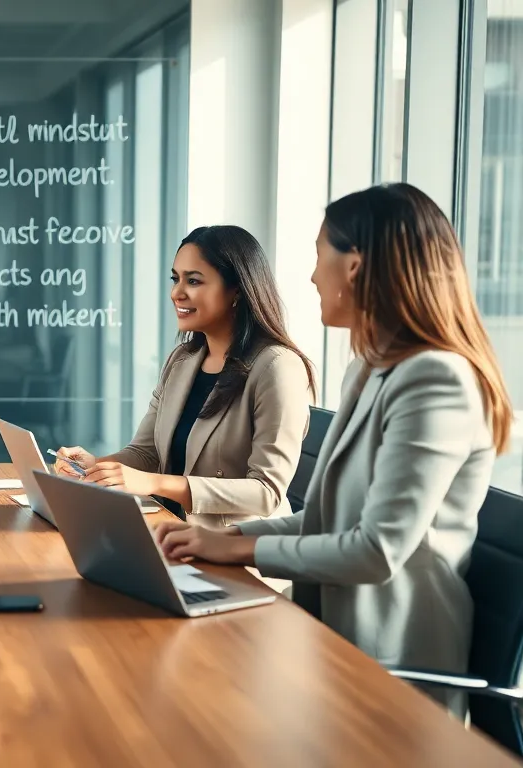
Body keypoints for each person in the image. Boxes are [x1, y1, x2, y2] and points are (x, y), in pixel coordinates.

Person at [155, 183, 510, 714]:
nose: (312, 275)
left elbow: (375, 551)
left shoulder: (437, 380)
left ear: (355, 267)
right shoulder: (368, 371)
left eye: (321, 254)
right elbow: (323, 521)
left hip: (390, 670)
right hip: (328, 642)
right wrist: (215, 540)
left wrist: (240, 548)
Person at [55, 225, 315, 527]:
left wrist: (154, 484)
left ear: (237, 291)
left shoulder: (277, 367)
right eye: (175, 279)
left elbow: (266, 493)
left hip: (234, 549)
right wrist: (96, 465)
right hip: (167, 529)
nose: (177, 293)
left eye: (193, 280)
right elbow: (145, 452)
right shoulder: (182, 360)